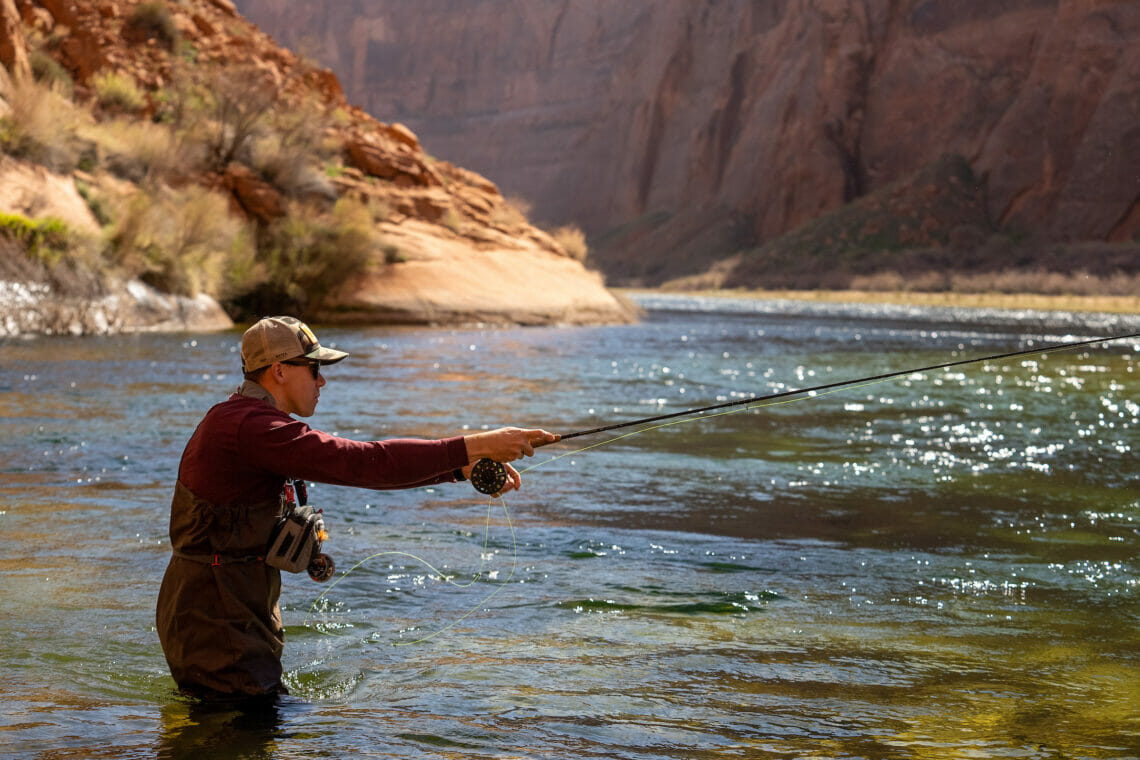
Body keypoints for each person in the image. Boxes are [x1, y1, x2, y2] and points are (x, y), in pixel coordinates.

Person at [156, 316, 558, 703]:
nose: (322, 380)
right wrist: (478, 444)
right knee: (242, 733)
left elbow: (370, 470)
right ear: (279, 370)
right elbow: (364, 462)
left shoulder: (247, 422)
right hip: (216, 619)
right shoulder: (252, 428)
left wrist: (458, 469)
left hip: (227, 611)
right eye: (314, 369)